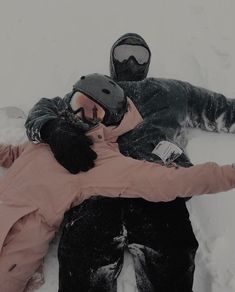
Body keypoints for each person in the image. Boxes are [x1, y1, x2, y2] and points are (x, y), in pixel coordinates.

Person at [25, 34, 235, 292]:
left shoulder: (170, 92)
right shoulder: (92, 91)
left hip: (157, 188)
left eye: (140, 56)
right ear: (112, 58)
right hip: (96, 189)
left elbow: (218, 107)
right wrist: (52, 127)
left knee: (173, 255)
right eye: (124, 54)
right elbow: (45, 107)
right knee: (82, 264)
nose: (132, 63)